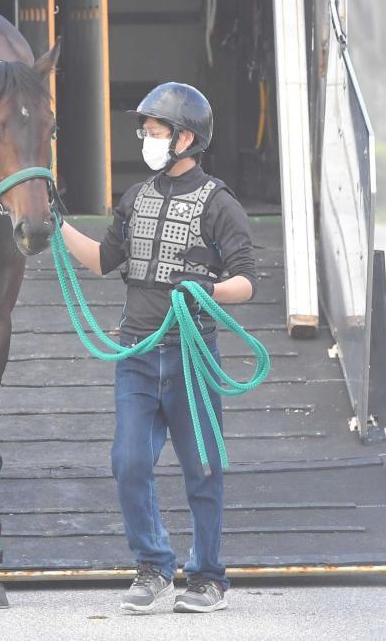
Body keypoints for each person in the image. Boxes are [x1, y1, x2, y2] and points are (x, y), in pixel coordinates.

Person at [58, 83, 257, 614]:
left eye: (155, 130)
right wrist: (57, 227)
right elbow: (103, 260)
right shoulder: (136, 197)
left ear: (185, 138)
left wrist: (207, 290)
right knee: (127, 462)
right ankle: (153, 567)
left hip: (192, 355)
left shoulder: (220, 204)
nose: (144, 138)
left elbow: (246, 282)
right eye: (145, 129)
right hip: (137, 355)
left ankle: (208, 576)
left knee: (204, 468)